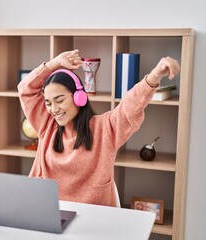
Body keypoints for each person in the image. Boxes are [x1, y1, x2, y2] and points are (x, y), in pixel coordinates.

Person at [17, 49, 180, 207]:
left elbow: (129, 107)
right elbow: (26, 89)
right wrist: (54, 63)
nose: (53, 109)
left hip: (92, 218)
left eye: (59, 101)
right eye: (48, 103)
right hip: (47, 210)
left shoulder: (105, 128)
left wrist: (154, 76)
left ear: (79, 98)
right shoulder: (46, 124)